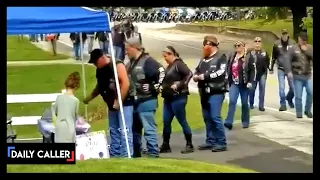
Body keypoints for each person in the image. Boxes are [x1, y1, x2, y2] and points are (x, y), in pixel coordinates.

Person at [83, 49, 134, 157]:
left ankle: (127, 155)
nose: (95, 65)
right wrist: (90, 97)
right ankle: (115, 154)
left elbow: (125, 83)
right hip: (110, 103)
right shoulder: (100, 70)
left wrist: (118, 101)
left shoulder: (117, 65)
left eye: (96, 62)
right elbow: (100, 86)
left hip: (124, 103)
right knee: (113, 130)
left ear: (102, 58)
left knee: (124, 130)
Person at [125, 37, 165, 158]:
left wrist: (154, 87)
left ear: (134, 47)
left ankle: (153, 153)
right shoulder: (131, 62)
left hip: (147, 101)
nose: (126, 52)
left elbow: (162, 72)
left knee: (148, 128)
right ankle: (136, 154)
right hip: (135, 101)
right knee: (135, 129)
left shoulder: (148, 61)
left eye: (127, 49)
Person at [194, 36, 228, 152]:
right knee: (207, 117)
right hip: (204, 91)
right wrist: (195, 76)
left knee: (215, 116)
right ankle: (210, 140)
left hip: (216, 91)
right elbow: (197, 69)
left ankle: (221, 142)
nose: (204, 47)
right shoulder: (204, 59)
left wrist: (205, 76)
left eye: (206, 45)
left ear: (212, 45)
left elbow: (221, 72)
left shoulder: (221, 58)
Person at [160, 46, 194, 154]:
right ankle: (165, 144)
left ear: (171, 54)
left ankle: (189, 144)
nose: (164, 58)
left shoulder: (178, 64)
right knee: (166, 121)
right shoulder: (170, 66)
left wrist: (180, 84)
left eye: (165, 56)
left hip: (178, 97)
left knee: (182, 120)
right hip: (168, 97)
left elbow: (189, 74)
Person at [224, 41, 256, 130]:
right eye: (235, 46)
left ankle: (245, 121)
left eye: (239, 46)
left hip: (244, 84)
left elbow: (252, 70)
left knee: (245, 103)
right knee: (232, 101)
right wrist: (227, 78)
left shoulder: (248, 57)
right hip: (234, 82)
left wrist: (250, 81)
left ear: (243, 46)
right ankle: (228, 122)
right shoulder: (232, 56)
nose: (237, 47)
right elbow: (227, 67)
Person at [285, 32, 313, 118]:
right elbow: (288, 60)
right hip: (297, 75)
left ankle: (307, 110)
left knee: (310, 93)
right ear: (299, 39)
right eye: (302, 40)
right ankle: (299, 112)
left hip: (307, 75)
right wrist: (289, 71)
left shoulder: (309, 47)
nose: (303, 42)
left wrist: (306, 51)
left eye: (305, 40)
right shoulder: (293, 49)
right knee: (298, 95)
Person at [270, 29, 295, 111]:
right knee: (281, 88)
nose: (284, 36)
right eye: (283, 34)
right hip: (280, 68)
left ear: (287, 34)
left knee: (293, 88)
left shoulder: (292, 43)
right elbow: (273, 56)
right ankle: (283, 104)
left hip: (290, 69)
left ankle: (289, 98)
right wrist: (271, 67)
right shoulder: (276, 44)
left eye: (285, 34)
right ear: (281, 35)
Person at [54, 72, 80, 143]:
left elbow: (55, 112)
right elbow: (75, 115)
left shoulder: (58, 98)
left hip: (59, 126)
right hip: (69, 127)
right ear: (76, 87)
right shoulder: (75, 100)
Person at [248, 37, 270, 111]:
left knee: (262, 89)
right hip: (253, 74)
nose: (257, 43)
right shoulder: (250, 53)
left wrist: (267, 69)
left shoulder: (264, 52)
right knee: (252, 90)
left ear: (261, 43)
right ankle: (251, 103)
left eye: (259, 41)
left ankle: (261, 105)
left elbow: (267, 62)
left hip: (262, 73)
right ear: (254, 43)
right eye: (256, 41)